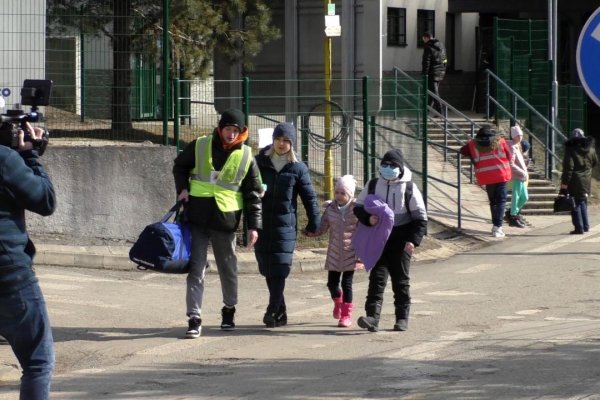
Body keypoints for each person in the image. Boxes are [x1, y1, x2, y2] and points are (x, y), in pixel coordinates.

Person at [173, 109, 263, 338]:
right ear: (220, 128)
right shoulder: (200, 145)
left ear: (241, 132)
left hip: (226, 221)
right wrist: (182, 188)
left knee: (228, 268)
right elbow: (180, 166)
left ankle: (229, 310)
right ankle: (194, 318)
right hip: (197, 218)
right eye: (227, 129)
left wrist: (254, 226)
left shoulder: (246, 155)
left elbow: (253, 193)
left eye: (236, 130)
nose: (231, 134)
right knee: (196, 270)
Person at [0, 121, 56, 399]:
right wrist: (30, 155)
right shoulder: (5, 158)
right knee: (38, 362)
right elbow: (45, 200)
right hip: (9, 277)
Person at [353, 149, 428, 332]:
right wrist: (367, 219)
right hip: (378, 240)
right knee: (377, 279)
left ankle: (402, 318)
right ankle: (372, 317)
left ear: (400, 168)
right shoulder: (372, 184)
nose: (387, 168)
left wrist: (413, 241)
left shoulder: (409, 188)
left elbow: (421, 219)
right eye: (385, 165)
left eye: (392, 166)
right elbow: (358, 207)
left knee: (400, 280)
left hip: (401, 240)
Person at [254, 122, 320, 328]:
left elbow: (309, 198)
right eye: (278, 139)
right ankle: (281, 312)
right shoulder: (259, 163)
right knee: (267, 269)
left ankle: (272, 309)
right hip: (262, 225)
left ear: (292, 144)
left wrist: (314, 223)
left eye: (286, 141)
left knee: (280, 269)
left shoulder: (297, 168)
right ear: (273, 140)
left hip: (285, 227)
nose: (282, 144)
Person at [311, 175, 362, 328]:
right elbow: (322, 228)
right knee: (332, 283)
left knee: (347, 284)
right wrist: (309, 232)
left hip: (351, 253)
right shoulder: (330, 209)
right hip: (334, 252)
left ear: (350, 195)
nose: (339, 196)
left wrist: (360, 256)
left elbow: (362, 233)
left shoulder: (357, 210)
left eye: (343, 193)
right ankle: (338, 302)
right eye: (337, 192)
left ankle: (346, 315)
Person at [460, 125, 512, 238]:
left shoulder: (473, 144)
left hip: (486, 177)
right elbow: (509, 155)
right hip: (501, 175)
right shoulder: (501, 141)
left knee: (493, 202)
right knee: (501, 201)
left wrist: (469, 144)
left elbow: (462, 151)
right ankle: (498, 227)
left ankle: (495, 226)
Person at [560, 128, 598, 235]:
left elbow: (568, 169)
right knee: (582, 202)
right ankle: (585, 226)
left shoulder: (571, 149)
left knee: (575, 204)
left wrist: (564, 185)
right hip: (587, 180)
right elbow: (595, 162)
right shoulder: (591, 149)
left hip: (574, 181)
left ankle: (579, 228)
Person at [507, 125, 529, 228]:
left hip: (522, 176)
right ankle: (513, 215)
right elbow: (511, 164)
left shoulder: (517, 146)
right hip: (517, 176)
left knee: (524, 197)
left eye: (521, 135)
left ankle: (512, 213)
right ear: (514, 136)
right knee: (516, 196)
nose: (520, 137)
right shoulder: (512, 147)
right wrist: (521, 171)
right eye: (518, 135)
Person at [421, 31, 447, 113]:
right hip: (441, 72)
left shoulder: (428, 47)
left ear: (427, 38)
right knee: (433, 92)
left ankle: (441, 112)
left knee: (434, 93)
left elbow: (426, 62)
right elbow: (445, 59)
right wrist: (444, 69)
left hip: (432, 73)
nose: (423, 41)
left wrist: (425, 74)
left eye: (423, 39)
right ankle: (426, 110)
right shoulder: (441, 45)